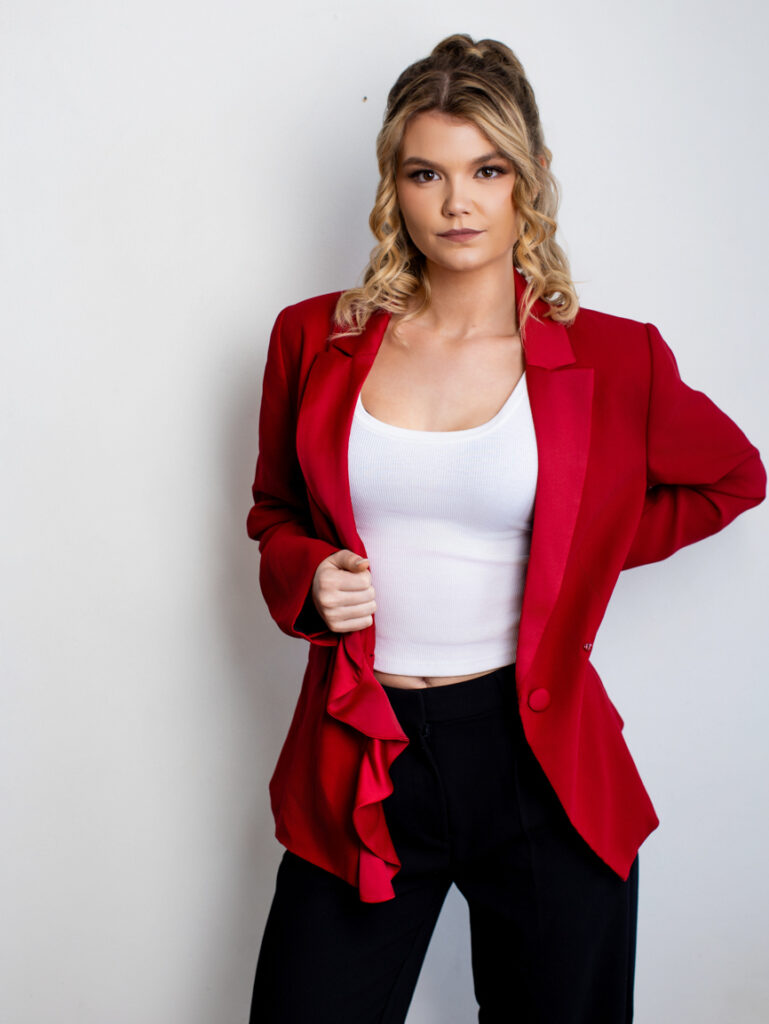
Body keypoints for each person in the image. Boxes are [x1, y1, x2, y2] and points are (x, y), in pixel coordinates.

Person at [244, 33, 765, 1024]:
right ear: (393, 186)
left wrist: (576, 551)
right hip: (362, 749)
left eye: (486, 170)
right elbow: (272, 511)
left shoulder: (616, 357)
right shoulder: (313, 337)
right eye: (426, 173)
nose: (457, 203)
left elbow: (733, 477)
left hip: (539, 763)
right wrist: (304, 572)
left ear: (529, 177)